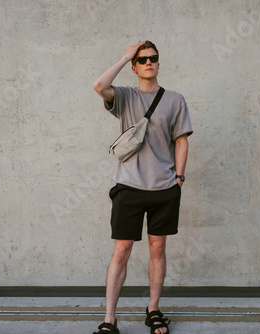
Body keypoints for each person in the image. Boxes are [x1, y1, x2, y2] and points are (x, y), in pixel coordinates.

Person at [92, 41, 193, 334]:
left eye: (153, 58)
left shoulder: (175, 100)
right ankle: (110, 320)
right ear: (135, 67)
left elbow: (182, 139)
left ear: (159, 64)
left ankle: (153, 309)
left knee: (157, 248)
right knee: (122, 250)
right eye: (142, 59)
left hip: (164, 187)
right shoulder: (124, 96)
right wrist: (125, 55)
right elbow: (99, 85)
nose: (149, 62)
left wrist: (180, 177)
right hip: (129, 186)